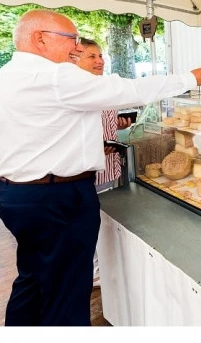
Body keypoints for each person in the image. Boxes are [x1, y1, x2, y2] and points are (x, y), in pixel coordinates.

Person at [0, 9, 201, 326]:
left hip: (13, 195)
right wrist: (191, 78)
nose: (77, 47)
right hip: (57, 197)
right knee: (68, 288)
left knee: (33, 277)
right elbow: (128, 90)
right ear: (40, 39)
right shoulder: (54, 76)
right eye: (72, 39)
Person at [76, 37, 131, 289]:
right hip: (87, 173)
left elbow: (107, 122)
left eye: (100, 56)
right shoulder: (75, 91)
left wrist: (119, 123)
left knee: (106, 222)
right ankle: (94, 271)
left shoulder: (104, 86)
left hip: (110, 168)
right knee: (89, 225)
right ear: (75, 59)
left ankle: (104, 265)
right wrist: (94, 148)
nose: (99, 61)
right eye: (92, 56)